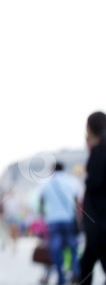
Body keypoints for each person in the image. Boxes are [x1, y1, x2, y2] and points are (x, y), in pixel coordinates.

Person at [39, 162, 82, 285]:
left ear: (53, 169)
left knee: (55, 249)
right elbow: (77, 201)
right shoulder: (71, 181)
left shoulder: (45, 183)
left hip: (53, 220)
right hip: (68, 219)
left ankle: (61, 277)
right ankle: (74, 270)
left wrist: (44, 216)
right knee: (73, 248)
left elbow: (42, 202)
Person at [79, 112, 106, 285]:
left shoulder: (98, 152)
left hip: (99, 224)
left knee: (86, 266)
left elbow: (95, 183)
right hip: (99, 224)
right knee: (85, 264)